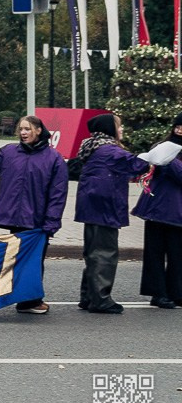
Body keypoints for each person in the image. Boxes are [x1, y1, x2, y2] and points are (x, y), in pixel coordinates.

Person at [0, 114, 66, 314]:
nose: (23, 133)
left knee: (34, 261)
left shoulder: (53, 158)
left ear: (39, 131)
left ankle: (30, 300)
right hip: (14, 218)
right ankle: (24, 299)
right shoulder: (9, 152)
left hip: (38, 221)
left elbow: (58, 194)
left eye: (27, 129)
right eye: (21, 129)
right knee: (16, 259)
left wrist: (51, 222)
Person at [73, 113, 151, 315]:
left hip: (91, 206)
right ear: (109, 129)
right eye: (119, 126)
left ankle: (88, 296)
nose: (122, 130)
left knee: (92, 253)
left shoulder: (93, 146)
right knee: (105, 254)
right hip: (105, 207)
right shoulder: (110, 150)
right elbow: (137, 164)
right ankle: (101, 299)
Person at [133, 113, 182, 309]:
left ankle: (177, 292)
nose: (179, 131)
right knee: (154, 253)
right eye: (177, 126)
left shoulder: (169, 154)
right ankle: (158, 293)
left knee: (177, 254)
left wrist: (167, 161)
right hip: (156, 208)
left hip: (176, 212)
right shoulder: (163, 146)